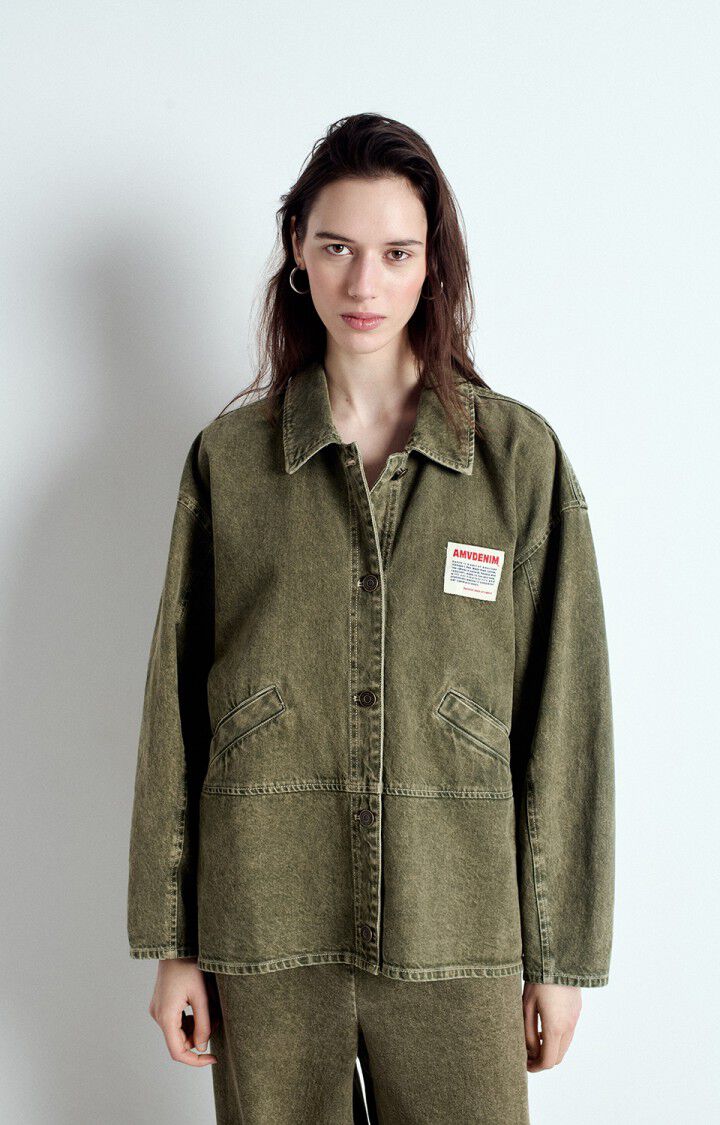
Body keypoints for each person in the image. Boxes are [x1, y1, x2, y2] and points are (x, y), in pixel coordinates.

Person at [127, 112, 615, 1124]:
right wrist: (174, 944)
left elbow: (567, 716)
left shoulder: (516, 461)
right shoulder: (230, 463)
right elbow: (174, 711)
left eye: (396, 253)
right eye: (338, 247)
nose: (364, 283)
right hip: (266, 922)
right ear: (297, 252)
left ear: (432, 266)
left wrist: (558, 956)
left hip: (461, 926)